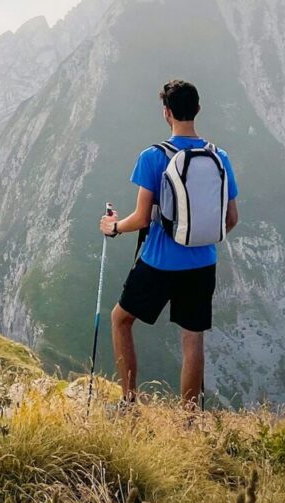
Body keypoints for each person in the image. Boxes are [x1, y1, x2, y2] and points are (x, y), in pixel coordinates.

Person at [99, 80, 239, 410]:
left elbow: (142, 219)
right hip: (203, 262)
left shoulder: (153, 157)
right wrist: (200, 237)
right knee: (192, 339)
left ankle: (130, 402)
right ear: (198, 109)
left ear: (166, 112)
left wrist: (113, 227)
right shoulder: (220, 156)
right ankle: (190, 419)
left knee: (121, 320)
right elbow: (231, 218)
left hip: (159, 261)